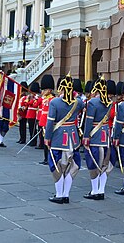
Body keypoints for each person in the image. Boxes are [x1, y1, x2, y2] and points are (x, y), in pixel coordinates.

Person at [44, 75, 84, 204]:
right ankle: (65, 194)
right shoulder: (77, 102)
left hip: (58, 138)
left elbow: (50, 123)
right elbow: (81, 102)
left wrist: (47, 137)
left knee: (56, 166)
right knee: (71, 166)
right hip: (73, 138)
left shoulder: (54, 102)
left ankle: (59, 194)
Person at [82, 77, 113, 200]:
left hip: (95, 135)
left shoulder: (93, 102)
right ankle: (101, 190)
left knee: (93, 163)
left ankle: (95, 190)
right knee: (105, 164)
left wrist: (85, 136)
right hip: (105, 135)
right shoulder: (109, 102)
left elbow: (89, 121)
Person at [38, 75, 55, 165]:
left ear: (49, 90)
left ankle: (49, 158)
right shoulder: (45, 99)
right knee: (45, 142)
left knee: (48, 142)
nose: (42, 91)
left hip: (48, 123)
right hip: (43, 122)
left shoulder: (52, 100)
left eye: (44, 90)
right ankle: (46, 158)